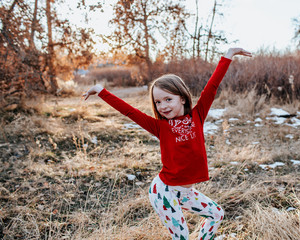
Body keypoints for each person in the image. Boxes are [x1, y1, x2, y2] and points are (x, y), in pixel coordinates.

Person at [83, 47, 252, 240]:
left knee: (216, 214)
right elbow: (129, 111)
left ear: (182, 98)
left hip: (186, 192)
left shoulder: (197, 115)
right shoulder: (160, 127)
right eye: (158, 102)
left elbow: (212, 86)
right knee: (181, 236)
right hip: (164, 191)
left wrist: (228, 55)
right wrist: (101, 91)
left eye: (168, 99)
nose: (163, 106)